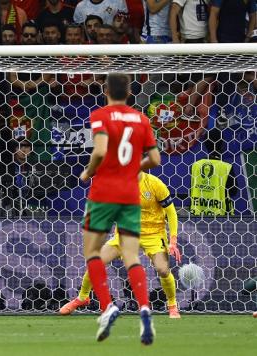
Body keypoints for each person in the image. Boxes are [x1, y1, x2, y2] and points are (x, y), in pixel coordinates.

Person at [79, 73, 160, 344]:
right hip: (130, 194)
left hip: (104, 193)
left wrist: (88, 172)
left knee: (91, 252)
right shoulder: (142, 119)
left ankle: (107, 307)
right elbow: (156, 158)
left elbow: (100, 151)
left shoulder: (101, 114)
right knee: (131, 256)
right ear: (128, 91)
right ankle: (145, 310)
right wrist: (134, 167)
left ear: (106, 91)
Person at [60, 172, 182, 318]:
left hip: (153, 234)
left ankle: (172, 305)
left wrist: (173, 241)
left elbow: (171, 212)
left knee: (163, 269)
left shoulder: (155, 184)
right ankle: (82, 298)